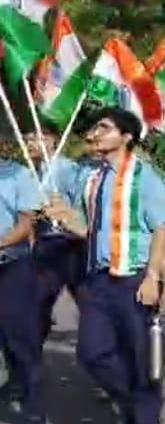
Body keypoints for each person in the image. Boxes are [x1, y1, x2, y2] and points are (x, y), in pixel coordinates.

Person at [44, 107, 165, 424]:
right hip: (98, 279)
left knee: (138, 352)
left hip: (133, 278)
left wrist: (153, 277)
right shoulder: (93, 177)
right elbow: (88, 229)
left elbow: (163, 225)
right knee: (93, 352)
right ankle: (132, 402)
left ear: (126, 136)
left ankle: (146, 423)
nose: (96, 133)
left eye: (104, 127)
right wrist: (65, 217)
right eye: (96, 127)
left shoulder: (143, 176)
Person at [27, 123, 88, 342]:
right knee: (37, 303)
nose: (29, 142)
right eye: (27, 138)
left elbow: (83, 206)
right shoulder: (30, 171)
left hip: (71, 244)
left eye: (35, 137)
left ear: (52, 140)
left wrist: (64, 211)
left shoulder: (69, 169)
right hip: (45, 245)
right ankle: (28, 367)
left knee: (87, 301)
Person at [0, 153, 45, 424]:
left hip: (12, 265)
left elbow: (26, 223)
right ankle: (14, 381)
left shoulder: (17, 175)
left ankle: (33, 409)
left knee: (20, 339)